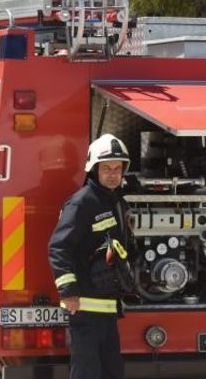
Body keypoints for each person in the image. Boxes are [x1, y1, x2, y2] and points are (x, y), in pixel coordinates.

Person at [49, 133, 134, 379]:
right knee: (87, 372)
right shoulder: (82, 203)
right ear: (93, 169)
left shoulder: (116, 202)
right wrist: (69, 292)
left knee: (112, 371)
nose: (112, 174)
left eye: (117, 168)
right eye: (106, 168)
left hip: (108, 307)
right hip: (84, 307)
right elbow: (58, 247)